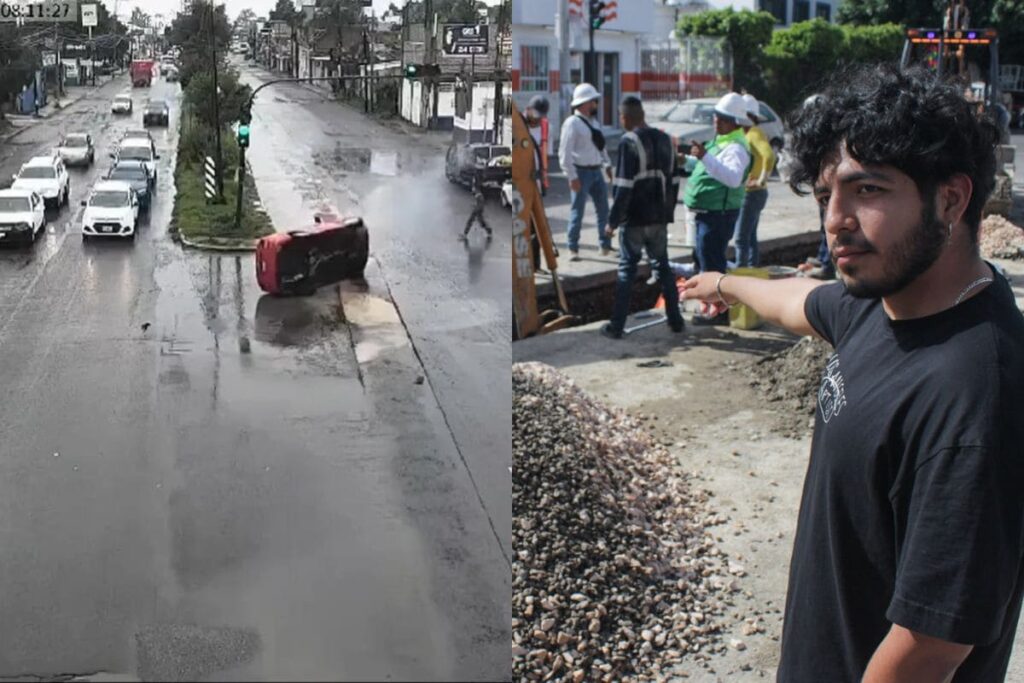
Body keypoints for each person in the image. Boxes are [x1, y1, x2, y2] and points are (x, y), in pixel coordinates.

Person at [680, 63, 1024, 683]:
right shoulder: (884, 300)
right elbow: (799, 301)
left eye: (866, 190)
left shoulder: (975, 398)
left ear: (951, 199)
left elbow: (928, 648)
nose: (835, 220)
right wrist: (725, 283)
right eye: (824, 197)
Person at [600, 96, 684, 339]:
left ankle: (616, 326)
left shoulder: (629, 141)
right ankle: (675, 320)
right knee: (663, 266)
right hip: (659, 217)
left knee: (627, 270)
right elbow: (674, 181)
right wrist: (667, 214)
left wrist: (613, 221)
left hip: (635, 219)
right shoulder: (665, 139)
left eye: (620, 117)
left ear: (625, 117)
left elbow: (624, 186)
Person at [681, 92, 752, 325]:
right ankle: (711, 308)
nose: (716, 121)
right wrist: (690, 161)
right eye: (716, 116)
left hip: (718, 215)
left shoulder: (736, 148)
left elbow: (732, 178)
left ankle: (717, 315)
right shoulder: (722, 141)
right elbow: (709, 167)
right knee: (705, 261)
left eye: (723, 118)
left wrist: (705, 157)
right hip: (708, 214)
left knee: (712, 266)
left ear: (735, 122)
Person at [558, 83, 614, 260]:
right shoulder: (572, 124)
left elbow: (601, 147)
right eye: (593, 101)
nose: (596, 104)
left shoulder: (594, 123)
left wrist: (607, 165)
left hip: (596, 171)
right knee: (577, 211)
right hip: (580, 172)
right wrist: (572, 176)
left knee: (603, 210)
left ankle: (605, 244)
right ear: (585, 103)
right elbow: (564, 153)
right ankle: (572, 247)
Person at [733, 93, 776, 268]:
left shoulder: (754, 133)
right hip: (753, 193)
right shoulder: (747, 133)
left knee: (741, 238)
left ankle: (741, 272)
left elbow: (769, 155)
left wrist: (761, 180)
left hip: (753, 193)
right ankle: (751, 270)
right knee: (749, 237)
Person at [461, 174, 492, 241]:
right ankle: (489, 231)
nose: (473, 180)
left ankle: (465, 234)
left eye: (474, 179)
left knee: (471, 219)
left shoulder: (477, 187)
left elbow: (479, 197)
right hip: (479, 204)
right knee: (481, 220)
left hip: (479, 205)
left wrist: (477, 205)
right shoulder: (476, 187)